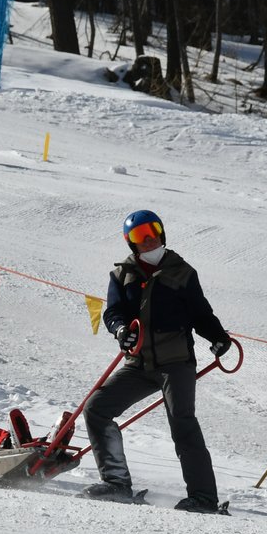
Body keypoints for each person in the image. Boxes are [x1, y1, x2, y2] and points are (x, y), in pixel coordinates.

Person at [84, 210, 232, 514]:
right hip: (139, 364)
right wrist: (120, 330)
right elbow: (113, 314)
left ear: (161, 232)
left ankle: (203, 498)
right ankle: (116, 482)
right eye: (139, 236)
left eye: (152, 231)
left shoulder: (182, 272)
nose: (148, 240)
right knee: (97, 408)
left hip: (175, 363)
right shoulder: (121, 275)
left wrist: (218, 338)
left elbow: (200, 314)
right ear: (131, 243)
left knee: (183, 424)